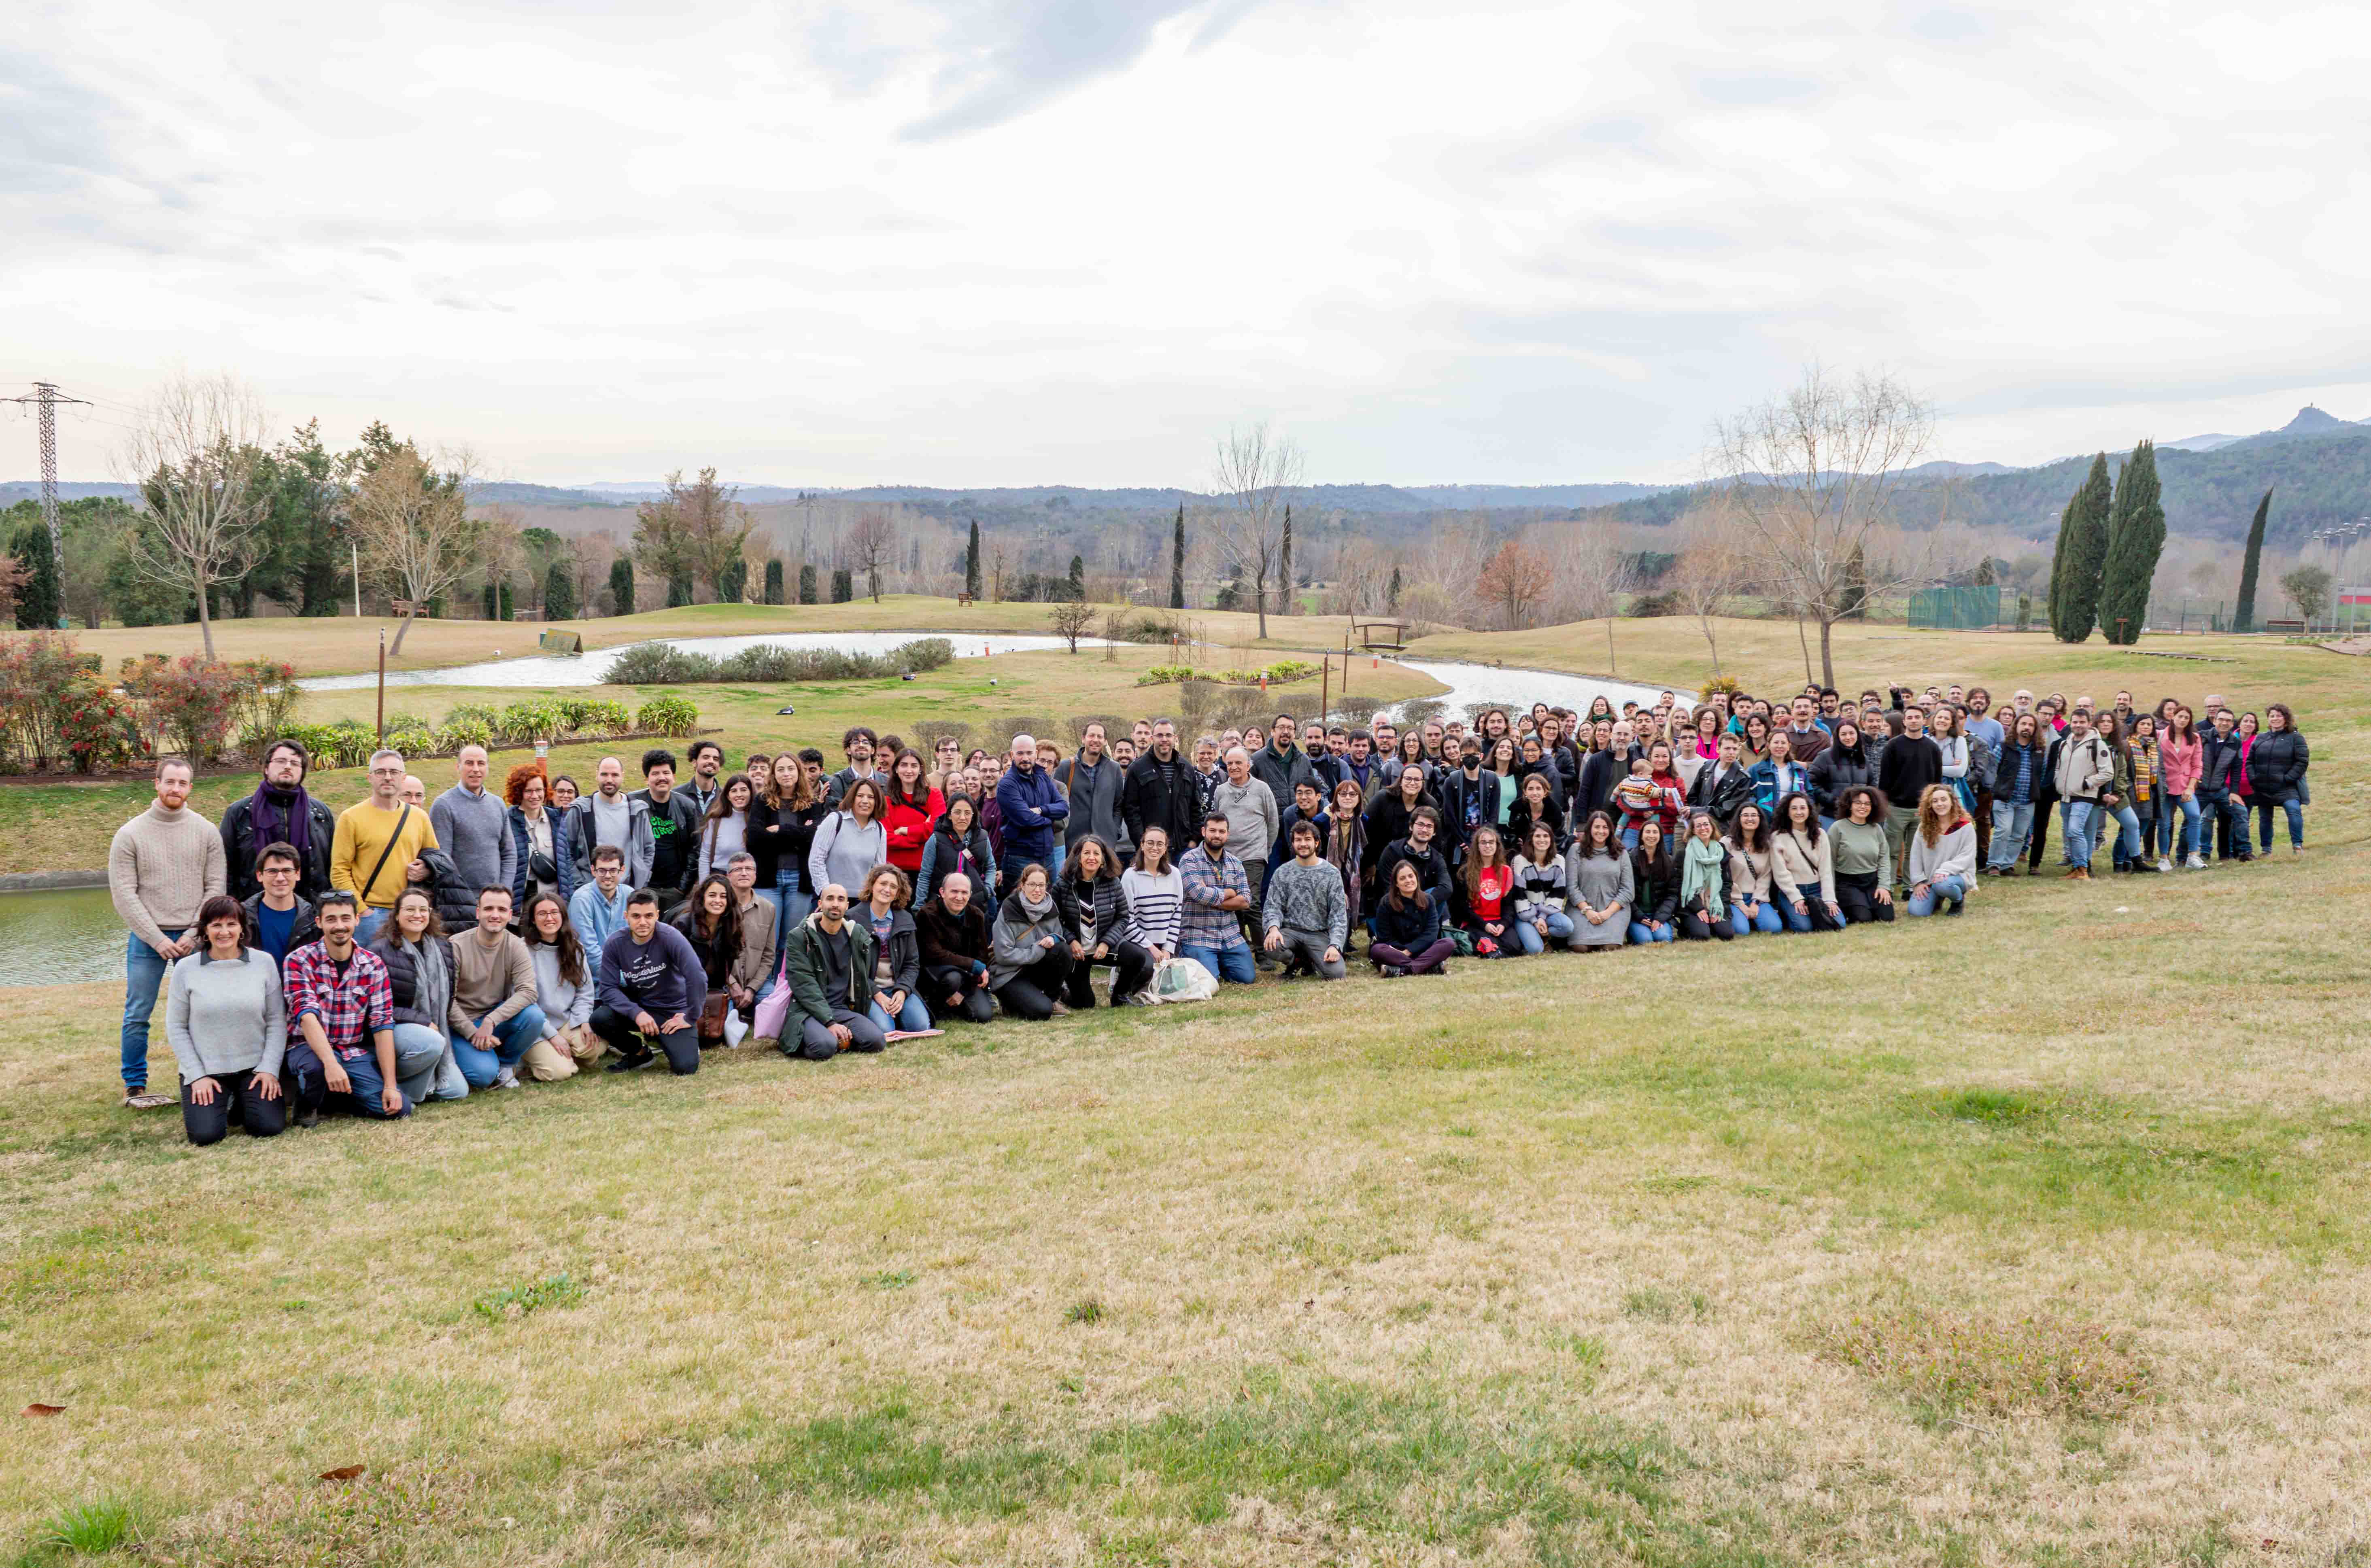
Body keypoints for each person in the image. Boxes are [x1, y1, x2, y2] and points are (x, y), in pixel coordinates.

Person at [109, 755, 229, 1110]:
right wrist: (156, 937)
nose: (176, 788)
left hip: (195, 938)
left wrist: (194, 933)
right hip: (150, 938)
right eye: (170, 782)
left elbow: (215, 887)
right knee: (138, 1013)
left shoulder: (207, 831)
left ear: (191, 787)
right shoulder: (130, 834)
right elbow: (124, 894)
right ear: (156, 784)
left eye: (183, 783)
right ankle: (135, 1084)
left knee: (207, 1010)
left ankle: (209, 1075)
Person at [165, 894, 287, 1146]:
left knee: (268, 1127)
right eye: (216, 925)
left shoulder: (263, 963)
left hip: (253, 1068)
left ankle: (241, 1101)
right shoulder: (186, 969)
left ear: (242, 928)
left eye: (231, 924)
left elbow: (277, 1020)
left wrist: (269, 1068)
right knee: (206, 1136)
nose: (224, 932)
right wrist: (197, 1076)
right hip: (207, 1070)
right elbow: (176, 1027)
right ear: (205, 931)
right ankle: (225, 1101)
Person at [281, 890, 410, 1124]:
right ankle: (307, 1106)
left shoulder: (373, 965)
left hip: (351, 1050)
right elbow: (306, 1016)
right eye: (331, 919)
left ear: (357, 920)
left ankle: (333, 1099)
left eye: (345, 918)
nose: (339, 925)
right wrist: (331, 1065)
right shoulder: (298, 960)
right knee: (315, 1070)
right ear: (319, 923)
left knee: (398, 1110)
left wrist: (391, 1086)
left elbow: (383, 1024)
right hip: (306, 1048)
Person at [366, 886, 469, 1104]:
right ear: (397, 915)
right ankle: (407, 1095)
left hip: (434, 1032)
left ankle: (413, 1088)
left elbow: (449, 1000)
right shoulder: (379, 951)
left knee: (457, 1092)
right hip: (392, 1030)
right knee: (430, 1041)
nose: (417, 915)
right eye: (410, 910)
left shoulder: (444, 949)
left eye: (423, 910)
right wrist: (421, 1020)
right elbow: (372, 1007)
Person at [331, 749, 440, 942]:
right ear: (370, 778)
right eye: (381, 772)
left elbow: (436, 861)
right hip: (370, 915)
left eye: (394, 772)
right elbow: (339, 871)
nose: (388, 778)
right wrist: (362, 911)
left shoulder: (420, 818)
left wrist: (427, 870)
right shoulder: (351, 818)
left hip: (410, 912)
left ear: (403, 778)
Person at [591, 889, 705, 1075]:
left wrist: (690, 1016)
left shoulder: (671, 937)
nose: (643, 922)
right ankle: (640, 1053)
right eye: (636, 916)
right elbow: (608, 988)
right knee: (600, 1019)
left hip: (672, 1011)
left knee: (686, 1067)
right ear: (626, 916)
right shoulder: (615, 943)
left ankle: (677, 1040)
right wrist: (636, 1013)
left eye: (649, 916)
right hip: (641, 1004)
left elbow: (697, 977)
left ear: (658, 916)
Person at [446, 886, 544, 1088]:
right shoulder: (456, 946)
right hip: (459, 1025)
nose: (495, 915)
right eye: (489, 909)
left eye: (501, 910)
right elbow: (446, 1000)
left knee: (534, 1016)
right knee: (482, 1076)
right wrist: (472, 1033)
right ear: (478, 912)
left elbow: (529, 991)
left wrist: (491, 1021)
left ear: (510, 915)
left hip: (493, 1018)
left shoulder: (516, 945)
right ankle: (474, 1056)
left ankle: (506, 1064)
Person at [220, 738, 336, 902]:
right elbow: (226, 869)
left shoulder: (321, 814)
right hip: (254, 911)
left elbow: (332, 867)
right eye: (281, 761)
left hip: (311, 910)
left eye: (295, 763)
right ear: (267, 768)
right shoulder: (239, 813)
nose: (288, 766)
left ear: (302, 772)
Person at [1054, 835, 1153, 1004]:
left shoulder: (1113, 883)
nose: (1091, 857)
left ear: (1103, 860)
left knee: (1137, 957)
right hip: (1078, 953)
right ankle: (1062, 993)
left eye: (1096, 854)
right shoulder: (1063, 885)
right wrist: (1071, 940)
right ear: (1078, 858)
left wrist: (1107, 942)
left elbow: (1123, 917)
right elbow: (1054, 920)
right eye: (1087, 853)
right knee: (1085, 1003)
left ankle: (1120, 996)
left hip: (1106, 947)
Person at [430, 745, 518, 932]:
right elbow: (443, 862)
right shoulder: (444, 806)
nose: (475, 769)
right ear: (458, 767)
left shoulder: (498, 804)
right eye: (469, 763)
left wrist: (503, 893)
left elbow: (509, 852)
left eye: (481, 764)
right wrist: (465, 901)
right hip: (460, 905)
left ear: (487, 768)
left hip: (494, 903)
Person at [519, 891, 603, 1080]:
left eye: (554, 912)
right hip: (534, 1026)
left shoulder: (575, 947)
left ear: (563, 916)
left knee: (595, 1048)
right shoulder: (521, 950)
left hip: (565, 1020)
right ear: (533, 919)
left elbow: (585, 991)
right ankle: (528, 1060)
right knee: (561, 1072)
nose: (549, 918)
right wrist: (551, 1035)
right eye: (542, 914)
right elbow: (523, 1003)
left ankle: (562, 1052)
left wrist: (583, 1021)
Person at [755, 749, 829, 954]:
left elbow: (813, 838)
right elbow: (756, 839)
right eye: (781, 770)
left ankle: (784, 983)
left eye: (791, 769)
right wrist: (799, 834)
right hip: (769, 879)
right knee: (767, 940)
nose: (786, 774)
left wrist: (780, 831)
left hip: (800, 880)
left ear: (798, 773)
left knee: (791, 941)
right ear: (774, 775)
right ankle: (766, 984)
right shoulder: (762, 801)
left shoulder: (812, 803)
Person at [1262, 820, 1349, 979]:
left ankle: (1311, 959)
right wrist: (1273, 929)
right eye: (1299, 840)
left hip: (1318, 933)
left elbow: (1339, 916)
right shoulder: (1282, 873)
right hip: (1290, 932)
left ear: (1317, 843)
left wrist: (1335, 945)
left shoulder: (1332, 874)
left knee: (1336, 974)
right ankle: (1296, 961)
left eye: (1308, 839)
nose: (1303, 844)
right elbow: (1272, 907)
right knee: (1271, 946)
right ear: (1293, 844)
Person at [1177, 814, 1257, 985]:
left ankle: (1215, 962)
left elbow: (1245, 901)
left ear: (1228, 834)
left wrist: (1210, 896)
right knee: (1208, 981)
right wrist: (1229, 893)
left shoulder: (1236, 863)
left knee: (1247, 978)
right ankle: (1198, 959)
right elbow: (1198, 894)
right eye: (1213, 831)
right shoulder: (1189, 860)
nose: (1217, 835)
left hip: (1230, 934)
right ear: (1204, 831)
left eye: (1222, 831)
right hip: (1198, 933)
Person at [854, 865, 932, 1033]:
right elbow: (851, 967)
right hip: (868, 988)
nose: (887, 890)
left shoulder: (906, 919)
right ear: (872, 885)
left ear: (898, 892)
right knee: (885, 1029)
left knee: (920, 1027)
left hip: (896, 986)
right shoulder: (853, 918)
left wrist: (903, 991)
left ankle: (895, 1012)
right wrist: (876, 993)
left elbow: (912, 963)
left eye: (893, 887)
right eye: (883, 884)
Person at [989, 863, 1073, 1018]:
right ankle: (1009, 1002)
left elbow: (1059, 935)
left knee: (1063, 950)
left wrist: (1053, 938)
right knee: (1042, 1012)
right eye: (1032, 885)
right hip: (1010, 975)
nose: (1037, 890)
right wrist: (1038, 950)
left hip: (1035, 970)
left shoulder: (1050, 907)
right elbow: (1003, 955)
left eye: (1042, 885)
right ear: (1023, 885)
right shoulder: (1009, 909)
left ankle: (1051, 999)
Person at [995, 732, 1070, 895]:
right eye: (1020, 753)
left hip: (1047, 856)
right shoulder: (1008, 784)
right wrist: (1050, 819)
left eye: (1029, 753)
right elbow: (1026, 819)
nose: (1025, 758)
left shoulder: (1043, 777)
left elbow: (1064, 808)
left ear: (1036, 754)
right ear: (1013, 754)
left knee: (1046, 903)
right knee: (1017, 906)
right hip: (1019, 858)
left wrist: (1042, 810)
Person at [916, 871, 996, 1024]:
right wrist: (974, 965)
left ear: (970, 894)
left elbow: (982, 956)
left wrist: (964, 991)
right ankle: (936, 1004)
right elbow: (933, 953)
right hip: (936, 972)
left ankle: (956, 1003)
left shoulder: (977, 915)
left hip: (966, 976)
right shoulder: (926, 914)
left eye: (964, 892)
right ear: (942, 892)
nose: (959, 897)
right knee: (953, 978)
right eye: (954, 891)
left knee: (983, 1016)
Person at [1876, 705, 1942, 889]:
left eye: (1917, 717)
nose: (1914, 720)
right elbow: (1885, 780)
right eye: (1910, 718)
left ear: (1924, 721)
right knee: (1892, 850)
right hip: (1896, 807)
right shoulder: (1893, 746)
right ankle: (1886, 886)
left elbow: (1936, 781)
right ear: (1904, 722)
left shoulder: (1933, 748)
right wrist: (1885, 805)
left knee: (1915, 852)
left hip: (1921, 809)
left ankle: (1909, 887)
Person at [1122, 718, 1203, 859]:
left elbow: (1195, 806)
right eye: (1160, 736)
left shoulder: (1187, 768)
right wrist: (1142, 842)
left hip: (1183, 848)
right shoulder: (1138, 769)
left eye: (1168, 735)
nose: (1164, 739)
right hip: (1152, 849)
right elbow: (1131, 811)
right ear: (1152, 738)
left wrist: (1194, 840)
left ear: (1175, 738)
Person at [566, 755, 654, 887]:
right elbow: (566, 851)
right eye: (604, 774)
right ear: (597, 775)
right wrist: (580, 884)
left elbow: (649, 848)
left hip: (629, 890)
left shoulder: (637, 811)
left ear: (622, 776)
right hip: (592, 891)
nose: (609, 780)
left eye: (615, 775)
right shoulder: (580, 811)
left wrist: (641, 878)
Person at [632, 749, 703, 910]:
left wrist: (683, 888)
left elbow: (695, 849)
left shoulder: (687, 806)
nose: (662, 778)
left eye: (666, 772)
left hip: (674, 889)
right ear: (646, 779)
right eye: (655, 773)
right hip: (643, 887)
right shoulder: (633, 805)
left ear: (674, 777)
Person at [2050, 707, 2114, 880]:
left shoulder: (2097, 744)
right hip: (2065, 796)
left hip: (2084, 796)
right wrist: (2058, 781)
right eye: (2075, 722)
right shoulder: (2065, 743)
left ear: (2089, 724)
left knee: (2075, 830)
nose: (2078, 725)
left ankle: (2083, 869)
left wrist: (2087, 783)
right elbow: (2058, 767)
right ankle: (2077, 869)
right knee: (2069, 833)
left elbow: (2108, 773)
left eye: (2082, 722)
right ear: (2071, 723)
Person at [1056, 724, 1131, 867]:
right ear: (1084, 739)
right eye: (1091, 736)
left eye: (1100, 737)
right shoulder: (1066, 767)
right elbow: (1057, 802)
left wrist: (1114, 832)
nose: (1095, 740)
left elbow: (1118, 806)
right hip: (1072, 843)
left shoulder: (1114, 768)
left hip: (1105, 844)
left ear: (1105, 742)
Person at [506, 764, 576, 916]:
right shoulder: (507, 821)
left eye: (539, 790)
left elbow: (566, 864)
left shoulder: (557, 820)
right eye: (528, 791)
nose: (535, 796)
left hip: (553, 904)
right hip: (522, 906)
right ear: (519, 793)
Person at [1770, 793, 1844, 931]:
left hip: (1817, 890)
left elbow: (1826, 870)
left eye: (1803, 808)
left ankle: (1813, 909)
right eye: (1794, 809)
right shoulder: (1778, 837)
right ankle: (1787, 912)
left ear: (1809, 810)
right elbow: (1781, 874)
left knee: (1839, 924)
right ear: (1787, 812)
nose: (1799, 812)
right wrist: (1796, 898)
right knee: (1805, 928)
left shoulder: (1820, 834)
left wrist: (1829, 899)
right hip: (1792, 890)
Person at [808, 777, 890, 901]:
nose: (865, 801)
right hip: (831, 899)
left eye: (871, 797)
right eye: (860, 796)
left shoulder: (880, 830)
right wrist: (826, 892)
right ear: (852, 798)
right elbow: (816, 859)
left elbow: (879, 869)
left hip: (862, 901)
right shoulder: (835, 821)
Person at [1984, 713, 2047, 875]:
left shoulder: (2040, 751)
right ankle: (1994, 865)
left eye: (2031, 725)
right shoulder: (2004, 747)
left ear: (2035, 729)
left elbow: (2043, 773)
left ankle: (2007, 865)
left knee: (2019, 835)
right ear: (2016, 727)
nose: (2027, 727)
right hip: (2005, 798)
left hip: (2027, 800)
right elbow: (1992, 770)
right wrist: (1995, 790)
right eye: (2023, 724)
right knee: (2003, 831)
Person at [1120, 825, 1183, 983]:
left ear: (1165, 848)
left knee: (1175, 982)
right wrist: (1151, 948)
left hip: (1166, 945)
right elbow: (1126, 920)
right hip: (1138, 943)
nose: (1155, 848)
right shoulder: (1130, 877)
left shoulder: (1175, 875)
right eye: (1150, 843)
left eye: (1160, 844)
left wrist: (1167, 949)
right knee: (1146, 974)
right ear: (1142, 845)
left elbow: (1177, 914)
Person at [1370, 859, 1454, 976]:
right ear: (1396, 883)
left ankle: (1404, 970)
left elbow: (1432, 933)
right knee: (1377, 950)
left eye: (1411, 876)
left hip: (1423, 950)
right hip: (1396, 952)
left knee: (1449, 943)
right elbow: (1385, 937)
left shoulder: (1429, 900)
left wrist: (1410, 951)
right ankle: (1428, 968)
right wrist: (1403, 952)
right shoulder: (1386, 903)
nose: (1408, 881)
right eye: (1403, 878)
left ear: (1417, 878)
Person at [1904, 783, 1977, 917]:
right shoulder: (1924, 827)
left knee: (1943, 885)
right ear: (1930, 805)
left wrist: (1945, 870)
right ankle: (1937, 898)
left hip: (1958, 876)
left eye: (1944, 800)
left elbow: (1967, 857)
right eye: (1935, 801)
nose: (1940, 804)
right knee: (1917, 912)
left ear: (1952, 802)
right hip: (1932, 879)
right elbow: (1916, 856)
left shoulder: (1965, 827)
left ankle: (1958, 901)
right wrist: (1919, 882)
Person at [242, 842, 317, 970]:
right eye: (272, 871)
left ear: (298, 874)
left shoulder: (313, 918)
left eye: (287, 871)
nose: (280, 878)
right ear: (260, 875)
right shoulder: (242, 916)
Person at [916, 792, 997, 908]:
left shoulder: (983, 838)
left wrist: (988, 889)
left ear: (974, 816)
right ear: (949, 815)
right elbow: (925, 875)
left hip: (975, 902)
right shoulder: (936, 839)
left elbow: (991, 867)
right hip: (943, 903)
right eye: (958, 812)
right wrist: (919, 905)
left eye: (968, 813)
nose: (963, 818)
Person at [1828, 786, 1896, 923]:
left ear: (1873, 807)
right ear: (1850, 805)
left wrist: (1884, 887)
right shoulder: (1838, 828)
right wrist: (1831, 895)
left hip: (1872, 881)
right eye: (1858, 803)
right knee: (1862, 918)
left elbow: (1884, 860)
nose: (1863, 807)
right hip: (1847, 883)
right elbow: (1830, 863)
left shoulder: (1876, 829)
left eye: (1867, 804)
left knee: (1887, 918)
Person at [1568, 810, 1634, 951]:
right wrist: (1587, 911)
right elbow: (1572, 888)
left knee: (1610, 946)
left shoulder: (1621, 852)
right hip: (1582, 909)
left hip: (1614, 909)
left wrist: (1607, 913)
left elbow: (1628, 890)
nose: (1601, 831)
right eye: (1597, 827)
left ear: (1611, 830)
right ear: (1590, 829)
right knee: (1581, 947)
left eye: (1605, 827)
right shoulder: (1576, 851)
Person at [2248, 703, 2307, 856]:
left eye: (2279, 716)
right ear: (2268, 720)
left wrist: (2287, 779)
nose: (2275, 719)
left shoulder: (2296, 738)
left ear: (2286, 719)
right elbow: (2250, 761)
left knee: (2294, 811)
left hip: (2286, 787)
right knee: (2265, 818)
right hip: (2263, 787)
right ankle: (2266, 850)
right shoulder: (2260, 738)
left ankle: (2298, 846)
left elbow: (2302, 762)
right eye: (2272, 716)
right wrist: (2254, 778)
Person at [2197, 707, 2252, 865]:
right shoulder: (2202, 737)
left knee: (2241, 812)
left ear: (2233, 724)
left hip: (2220, 790)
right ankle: (2185, 856)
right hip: (2199, 789)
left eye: (2228, 721)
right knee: (2192, 820)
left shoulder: (2235, 743)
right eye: (2221, 719)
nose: (2224, 723)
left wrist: (2234, 792)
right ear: (2215, 721)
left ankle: (2245, 852)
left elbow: (2236, 770)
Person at [1508, 820, 1573, 954]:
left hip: (1547, 913)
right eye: (1538, 836)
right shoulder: (1519, 861)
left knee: (1567, 927)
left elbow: (1558, 893)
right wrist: (1534, 921)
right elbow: (1519, 896)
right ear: (1531, 839)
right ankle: (1532, 936)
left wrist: (1542, 918)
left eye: (1546, 836)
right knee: (1535, 950)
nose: (1542, 840)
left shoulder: (1559, 860)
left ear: (1551, 839)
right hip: (1525, 915)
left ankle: (1543, 937)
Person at [877, 747, 943, 876]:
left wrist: (905, 831)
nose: (909, 771)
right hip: (894, 873)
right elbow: (887, 838)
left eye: (914, 766)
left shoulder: (934, 796)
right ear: (896, 769)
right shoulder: (887, 802)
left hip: (927, 871)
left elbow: (939, 827)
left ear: (920, 770)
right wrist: (920, 838)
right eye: (904, 765)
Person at [1725, 802, 1785, 935]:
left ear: (1760, 819)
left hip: (1756, 897)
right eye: (1745, 815)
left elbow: (1765, 877)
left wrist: (1756, 902)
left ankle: (1753, 917)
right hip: (1733, 898)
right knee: (1742, 931)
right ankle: (1744, 919)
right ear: (1739, 819)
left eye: (1754, 815)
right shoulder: (1727, 843)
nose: (1750, 819)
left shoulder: (1766, 845)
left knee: (1774, 928)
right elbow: (1725, 878)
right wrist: (1740, 904)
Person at [1675, 810, 1735, 941]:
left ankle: (1711, 923)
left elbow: (1727, 883)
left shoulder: (1721, 850)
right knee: (1702, 936)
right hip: (1692, 905)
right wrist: (1699, 909)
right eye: (1699, 826)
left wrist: (1720, 908)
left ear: (1712, 827)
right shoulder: (1684, 854)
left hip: (1715, 902)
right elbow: (1681, 886)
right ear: (1693, 831)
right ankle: (1689, 926)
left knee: (1727, 935)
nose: (1703, 828)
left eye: (1706, 824)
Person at [2158, 707, 2204, 871]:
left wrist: (2191, 787)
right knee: (2164, 823)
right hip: (2164, 786)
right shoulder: (2160, 735)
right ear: (2173, 717)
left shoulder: (2195, 738)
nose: (2183, 720)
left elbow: (2197, 765)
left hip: (2185, 785)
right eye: (2180, 716)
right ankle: (2164, 858)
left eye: (2187, 717)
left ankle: (2193, 856)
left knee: (2194, 816)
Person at [568, 842, 633, 957]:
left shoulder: (629, 895)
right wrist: (619, 975)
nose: (608, 876)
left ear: (622, 870)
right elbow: (589, 951)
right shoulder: (582, 900)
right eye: (602, 871)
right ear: (593, 870)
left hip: (626, 968)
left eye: (613, 871)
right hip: (594, 973)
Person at [695, 773, 758, 883]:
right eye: (734, 791)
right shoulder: (716, 821)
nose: (739, 795)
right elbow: (705, 856)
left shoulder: (758, 820)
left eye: (744, 790)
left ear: (751, 793)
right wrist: (704, 886)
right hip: (720, 879)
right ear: (728, 796)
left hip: (748, 881)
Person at [1625, 817, 1678, 944]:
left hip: (1658, 915)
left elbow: (1673, 894)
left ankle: (1662, 927)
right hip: (1637, 915)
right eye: (1648, 832)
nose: (1651, 836)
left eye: (1655, 832)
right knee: (1646, 941)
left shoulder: (1669, 862)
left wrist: (1660, 918)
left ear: (1660, 836)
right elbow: (1626, 893)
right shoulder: (1630, 859)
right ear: (1642, 836)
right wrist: (1639, 916)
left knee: (1664, 939)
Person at [1688, 730, 1756, 828]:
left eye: (1735, 749)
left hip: (1723, 828)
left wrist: (1696, 811)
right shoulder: (1707, 767)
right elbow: (1693, 796)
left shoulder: (1743, 778)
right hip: (1700, 825)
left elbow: (1727, 810)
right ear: (1718, 749)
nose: (1731, 752)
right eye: (1727, 749)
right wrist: (1696, 816)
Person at [1268, 777, 1330, 880]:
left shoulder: (1328, 813)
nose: (1303, 797)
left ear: (1318, 796)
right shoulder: (1290, 814)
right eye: (1299, 793)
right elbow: (1292, 847)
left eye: (1308, 793)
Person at [681, 738, 725, 818]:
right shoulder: (678, 796)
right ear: (695, 763)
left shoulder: (726, 798)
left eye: (716, 759)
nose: (711, 761)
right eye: (706, 757)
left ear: (720, 766)